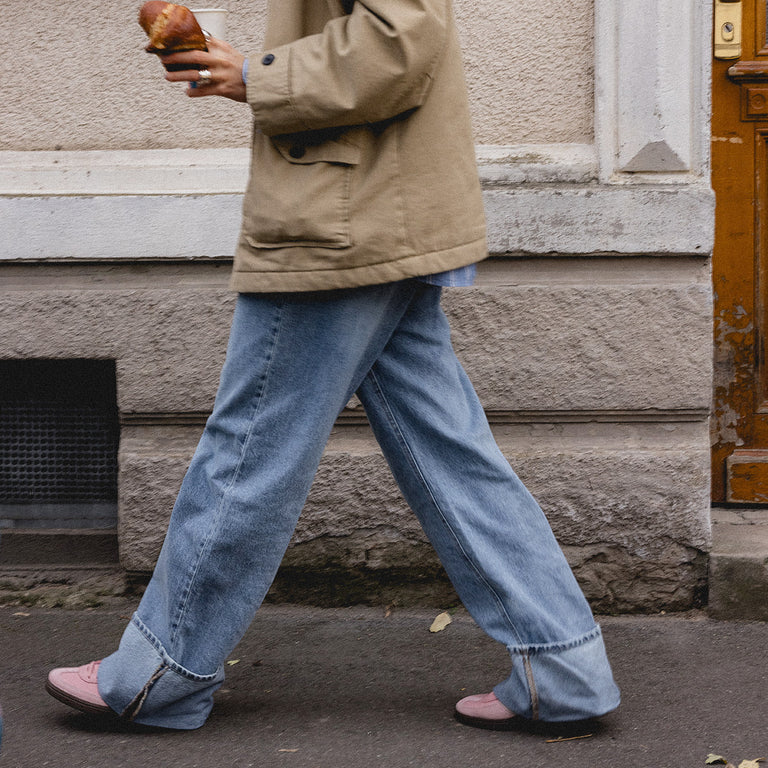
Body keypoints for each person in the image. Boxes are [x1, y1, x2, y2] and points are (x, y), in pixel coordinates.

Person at [46, 0, 620, 731]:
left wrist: (258, 74)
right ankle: (563, 664)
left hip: (341, 221)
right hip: (377, 209)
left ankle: (159, 670)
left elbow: (402, 39)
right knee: (449, 453)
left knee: (250, 448)